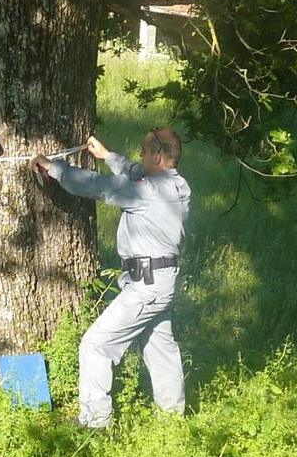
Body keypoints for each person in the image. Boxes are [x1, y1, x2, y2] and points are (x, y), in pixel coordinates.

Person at [30, 129, 191, 428]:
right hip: (162, 280)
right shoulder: (177, 185)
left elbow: (99, 186)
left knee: (95, 345)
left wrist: (55, 168)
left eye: (143, 152)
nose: (140, 157)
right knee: (161, 349)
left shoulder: (149, 191)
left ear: (156, 156)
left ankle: (94, 423)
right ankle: (172, 421)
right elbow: (136, 174)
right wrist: (108, 157)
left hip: (146, 285)